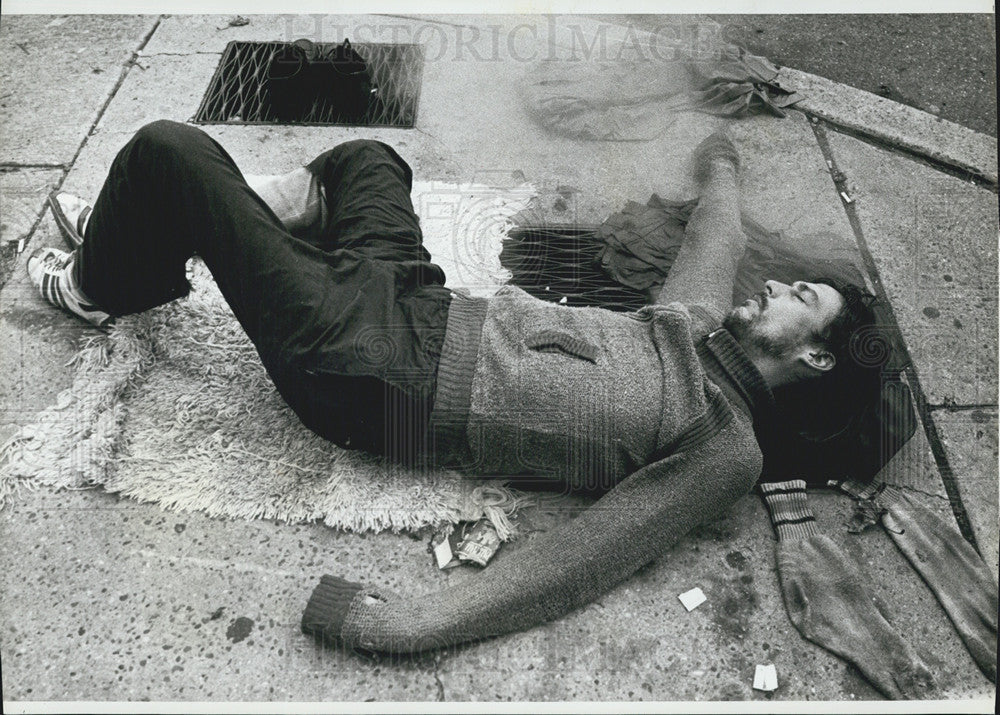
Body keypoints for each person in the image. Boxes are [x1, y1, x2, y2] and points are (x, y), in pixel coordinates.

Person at [29, 120, 877, 654]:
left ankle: (97, 282)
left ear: (815, 360)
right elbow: (717, 234)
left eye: (800, 298)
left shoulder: (724, 444)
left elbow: (584, 556)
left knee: (165, 151)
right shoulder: (693, 324)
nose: (773, 288)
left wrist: (410, 624)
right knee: (368, 160)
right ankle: (167, 221)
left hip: (375, 376)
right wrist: (721, 157)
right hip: (416, 303)